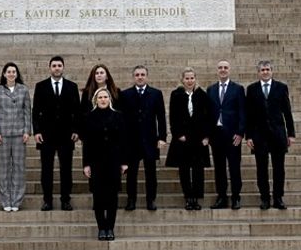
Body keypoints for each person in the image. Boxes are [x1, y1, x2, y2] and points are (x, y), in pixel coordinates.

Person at [245, 60, 295, 210]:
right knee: (262, 168)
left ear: (272, 71)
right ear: (258, 72)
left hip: (278, 134)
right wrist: (248, 136)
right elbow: (249, 115)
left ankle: (278, 197)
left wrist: (291, 134)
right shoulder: (252, 89)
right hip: (259, 135)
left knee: (279, 168)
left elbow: (287, 112)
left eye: (267, 69)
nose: (265, 72)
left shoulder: (281, 87)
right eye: (262, 70)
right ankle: (265, 198)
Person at [80, 87, 128, 241]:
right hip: (96, 162)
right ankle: (101, 228)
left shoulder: (118, 116)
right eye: (100, 97)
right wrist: (86, 164)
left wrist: (124, 162)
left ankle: (110, 228)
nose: (103, 99)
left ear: (109, 99)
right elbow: (86, 143)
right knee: (98, 197)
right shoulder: (88, 117)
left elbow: (123, 141)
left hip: (113, 161)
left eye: (105, 97)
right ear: (96, 100)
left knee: (112, 197)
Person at [33, 55, 79, 211]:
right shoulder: (41, 86)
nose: (57, 68)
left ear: (63, 67)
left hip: (66, 135)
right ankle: (48, 201)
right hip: (46, 135)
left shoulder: (72, 86)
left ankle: (66, 200)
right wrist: (36, 131)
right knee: (46, 170)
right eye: (54, 65)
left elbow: (76, 111)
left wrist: (76, 130)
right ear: (50, 68)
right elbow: (36, 111)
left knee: (66, 169)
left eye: (59, 65)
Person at [118, 64, 166, 211]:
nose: (140, 77)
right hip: (131, 141)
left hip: (150, 140)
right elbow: (122, 119)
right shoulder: (125, 94)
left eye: (142, 74)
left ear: (147, 76)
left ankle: (151, 199)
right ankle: (131, 200)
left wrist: (162, 137)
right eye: (137, 75)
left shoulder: (156, 94)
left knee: (150, 173)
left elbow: (161, 117)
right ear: (133, 77)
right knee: (131, 173)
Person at [167, 68, 213, 210]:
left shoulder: (202, 95)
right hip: (183, 139)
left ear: (195, 79)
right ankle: (188, 197)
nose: (189, 81)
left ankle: (196, 198)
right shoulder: (176, 95)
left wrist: (207, 136)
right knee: (184, 169)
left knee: (198, 170)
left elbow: (208, 117)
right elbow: (173, 116)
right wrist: (178, 134)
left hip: (199, 139)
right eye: (187, 78)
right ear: (182, 80)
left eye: (192, 78)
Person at [0, 62, 31, 211]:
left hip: (20, 134)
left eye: (14, 71)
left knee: (19, 168)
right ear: (4, 74)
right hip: (3, 135)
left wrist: (27, 130)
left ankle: (17, 200)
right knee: (4, 168)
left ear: (17, 74)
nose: (12, 74)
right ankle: (5, 200)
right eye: (9, 71)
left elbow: (27, 112)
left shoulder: (23, 90)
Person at [208, 59, 247, 210]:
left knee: (234, 167)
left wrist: (240, 133)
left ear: (229, 70)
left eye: (225, 67)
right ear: (217, 70)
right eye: (220, 68)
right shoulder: (210, 89)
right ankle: (222, 197)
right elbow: (208, 113)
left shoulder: (238, 89)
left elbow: (243, 112)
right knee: (219, 168)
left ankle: (236, 197)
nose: (223, 70)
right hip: (216, 135)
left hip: (232, 136)